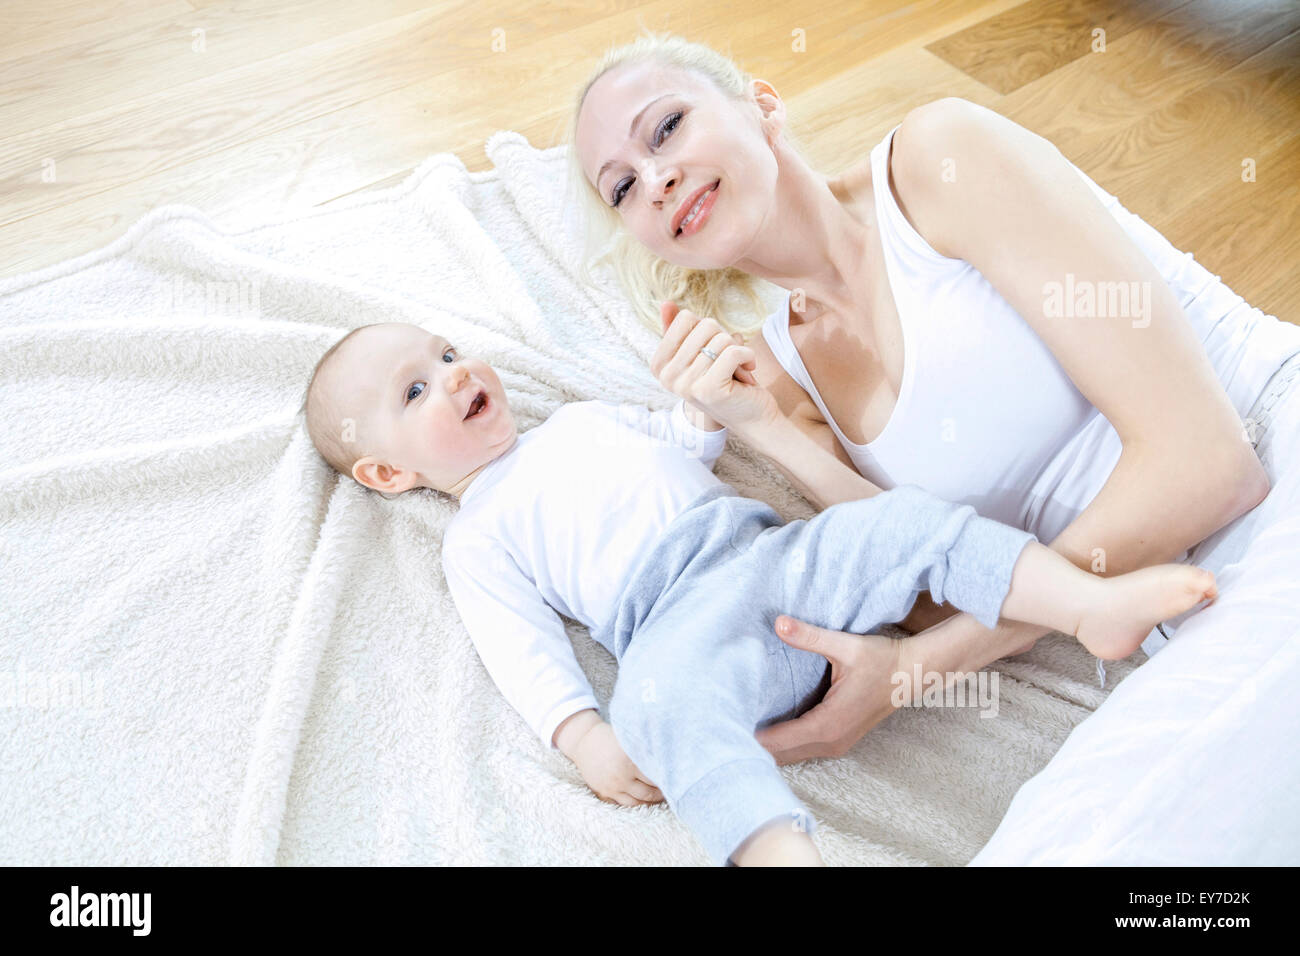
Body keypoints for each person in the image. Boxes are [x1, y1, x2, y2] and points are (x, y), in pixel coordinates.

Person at [568, 31, 1300, 863]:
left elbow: (1210, 466)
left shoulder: (937, 162)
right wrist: (768, 432)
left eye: (665, 128)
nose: (655, 179)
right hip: (1176, 620)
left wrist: (919, 669)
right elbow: (946, 577)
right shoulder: (776, 375)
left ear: (761, 106)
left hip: (1278, 461)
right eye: (622, 186)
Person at [300, 320, 1217, 865]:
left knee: (904, 524)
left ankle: (1083, 604)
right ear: (387, 473)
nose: (457, 374)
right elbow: (521, 650)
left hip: (769, 556)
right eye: (418, 388)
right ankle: (779, 849)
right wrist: (583, 736)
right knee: (658, 714)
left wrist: (706, 403)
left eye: (449, 353)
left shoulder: (580, 420)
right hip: (674, 627)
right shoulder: (478, 538)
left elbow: (687, 442)